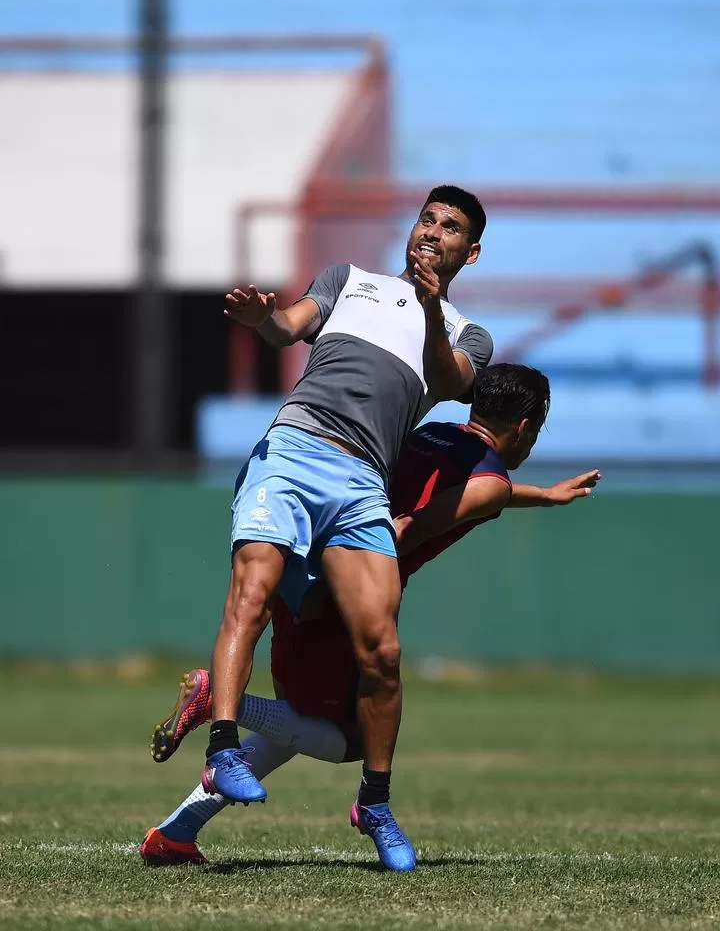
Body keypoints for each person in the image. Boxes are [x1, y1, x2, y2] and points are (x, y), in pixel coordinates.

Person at [140, 364, 600, 868]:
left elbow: (482, 493)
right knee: (349, 741)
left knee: (298, 724)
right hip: (350, 605)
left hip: (313, 581)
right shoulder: (489, 481)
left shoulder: (430, 435)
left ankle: (176, 834)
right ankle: (219, 702)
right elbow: (407, 529)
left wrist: (544, 495)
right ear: (526, 427)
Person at [204, 185, 493, 872]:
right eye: (427, 218)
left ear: (469, 251)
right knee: (251, 596)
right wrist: (262, 319)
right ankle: (221, 749)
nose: (433, 231)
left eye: (450, 227)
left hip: (363, 478)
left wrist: (426, 308)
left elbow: (448, 379)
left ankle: (375, 801)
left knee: (383, 653)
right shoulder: (348, 281)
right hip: (294, 451)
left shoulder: (466, 331)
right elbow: (288, 325)